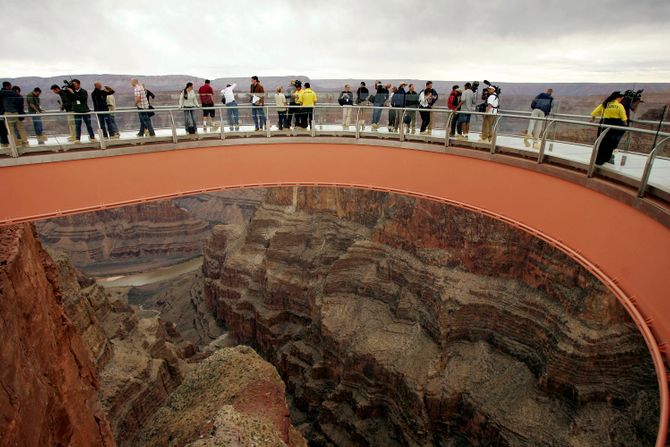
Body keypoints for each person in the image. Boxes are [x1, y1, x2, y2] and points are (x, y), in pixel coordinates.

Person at [590, 91, 628, 165]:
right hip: (614, 125)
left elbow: (594, 112)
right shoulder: (619, 106)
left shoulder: (605, 104)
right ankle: (606, 158)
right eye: (621, 98)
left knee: (602, 141)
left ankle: (598, 158)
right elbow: (623, 118)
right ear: (618, 98)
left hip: (603, 123)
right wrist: (625, 125)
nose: (621, 100)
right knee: (610, 142)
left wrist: (593, 119)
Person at [0, 82, 11, 147]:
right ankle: (7, 142)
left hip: (1, 113)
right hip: (4, 113)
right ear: (8, 86)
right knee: (6, 128)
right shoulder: (7, 93)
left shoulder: (1, 93)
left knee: (2, 128)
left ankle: (3, 142)